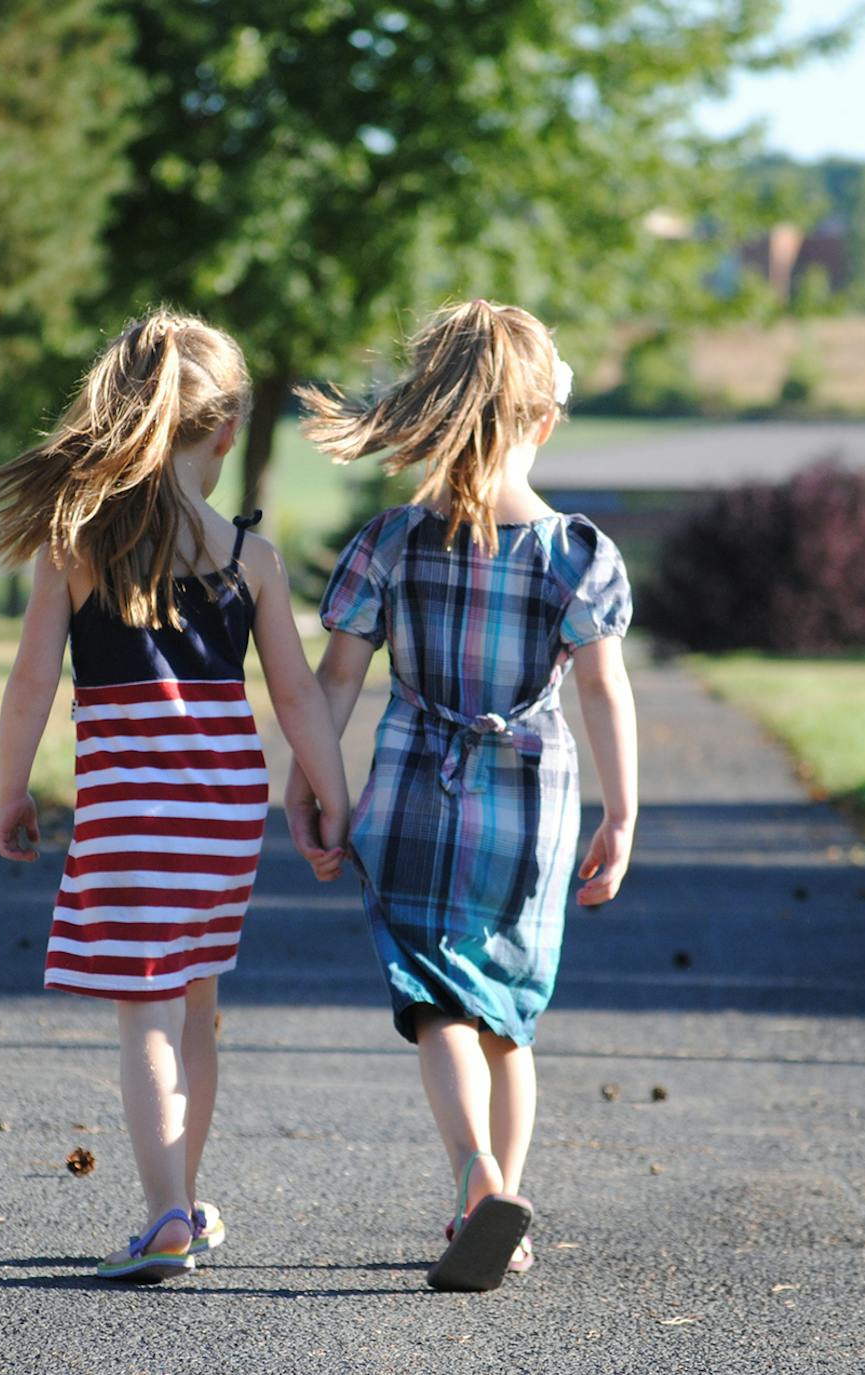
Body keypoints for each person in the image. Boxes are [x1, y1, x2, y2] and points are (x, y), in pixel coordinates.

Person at [0, 308, 352, 1283]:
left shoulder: (75, 545)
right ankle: (182, 1194)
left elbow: (31, 682)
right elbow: (297, 694)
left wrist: (12, 790)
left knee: (143, 1012)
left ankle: (164, 1217)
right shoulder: (250, 558)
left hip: (130, 812)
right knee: (196, 1006)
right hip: (223, 811)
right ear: (225, 430)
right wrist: (331, 795)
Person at [283, 299, 639, 1293]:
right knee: (508, 1016)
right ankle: (502, 1208)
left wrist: (309, 784)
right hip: (530, 806)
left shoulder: (391, 541)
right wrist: (623, 813)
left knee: (438, 1002)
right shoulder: (578, 553)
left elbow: (334, 682)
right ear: (546, 419)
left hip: (411, 798)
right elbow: (605, 691)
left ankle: (475, 1174)